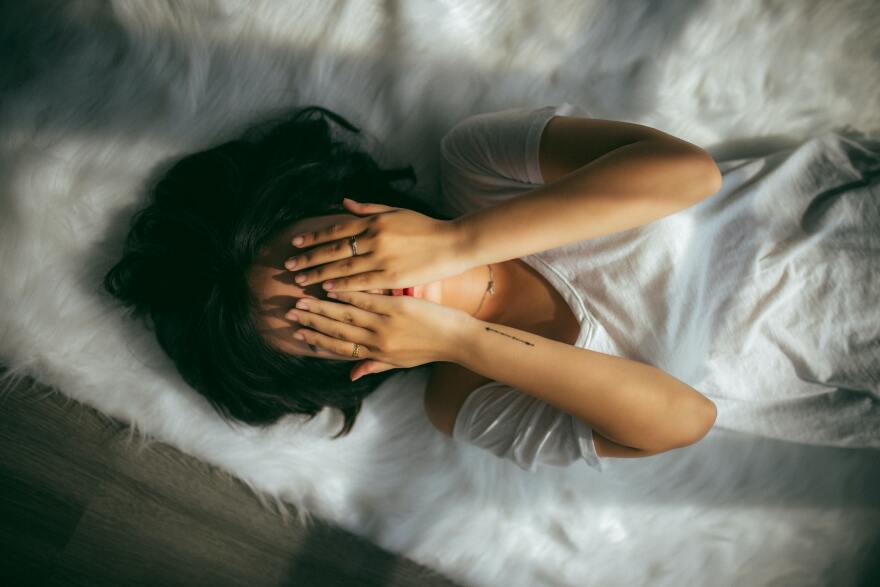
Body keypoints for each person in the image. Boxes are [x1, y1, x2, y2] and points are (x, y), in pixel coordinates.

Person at [105, 103, 880, 473]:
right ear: (338, 362)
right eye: (319, 322)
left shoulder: (479, 164)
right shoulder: (463, 399)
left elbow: (687, 175)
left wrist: (459, 239)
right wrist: (458, 339)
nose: (356, 294)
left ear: (328, 209)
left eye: (319, 269)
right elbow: (682, 417)